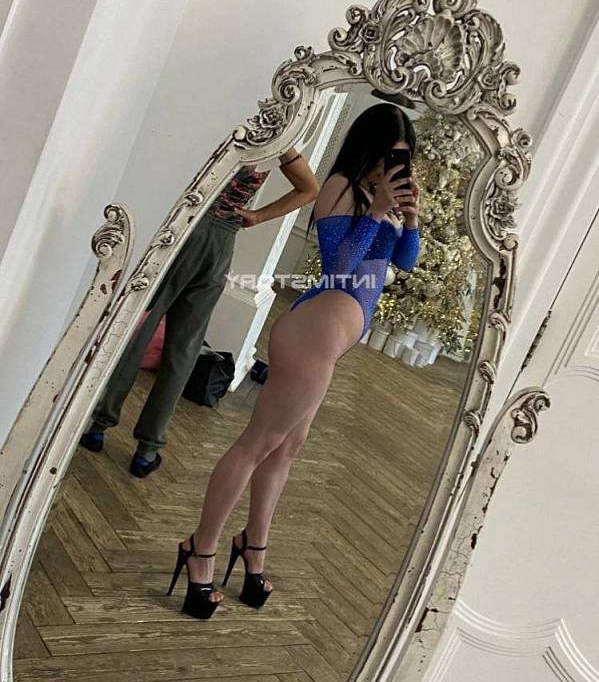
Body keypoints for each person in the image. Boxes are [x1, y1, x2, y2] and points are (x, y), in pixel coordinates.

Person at [167, 103, 421, 619]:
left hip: (328, 341)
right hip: (312, 335)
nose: (394, 166)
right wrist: (376, 213)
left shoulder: (383, 199)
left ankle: (252, 545)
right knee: (257, 444)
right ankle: (201, 550)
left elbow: (405, 261)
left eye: (402, 158)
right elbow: (339, 267)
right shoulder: (340, 188)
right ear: (368, 150)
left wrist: (409, 219)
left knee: (287, 448)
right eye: (388, 155)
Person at [79, 147, 319, 477]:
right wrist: (257, 216)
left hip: (182, 230)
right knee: (184, 347)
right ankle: (147, 450)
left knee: (139, 330)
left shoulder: (224, 125)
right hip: (221, 243)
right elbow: (309, 188)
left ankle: (98, 425)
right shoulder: (276, 137)